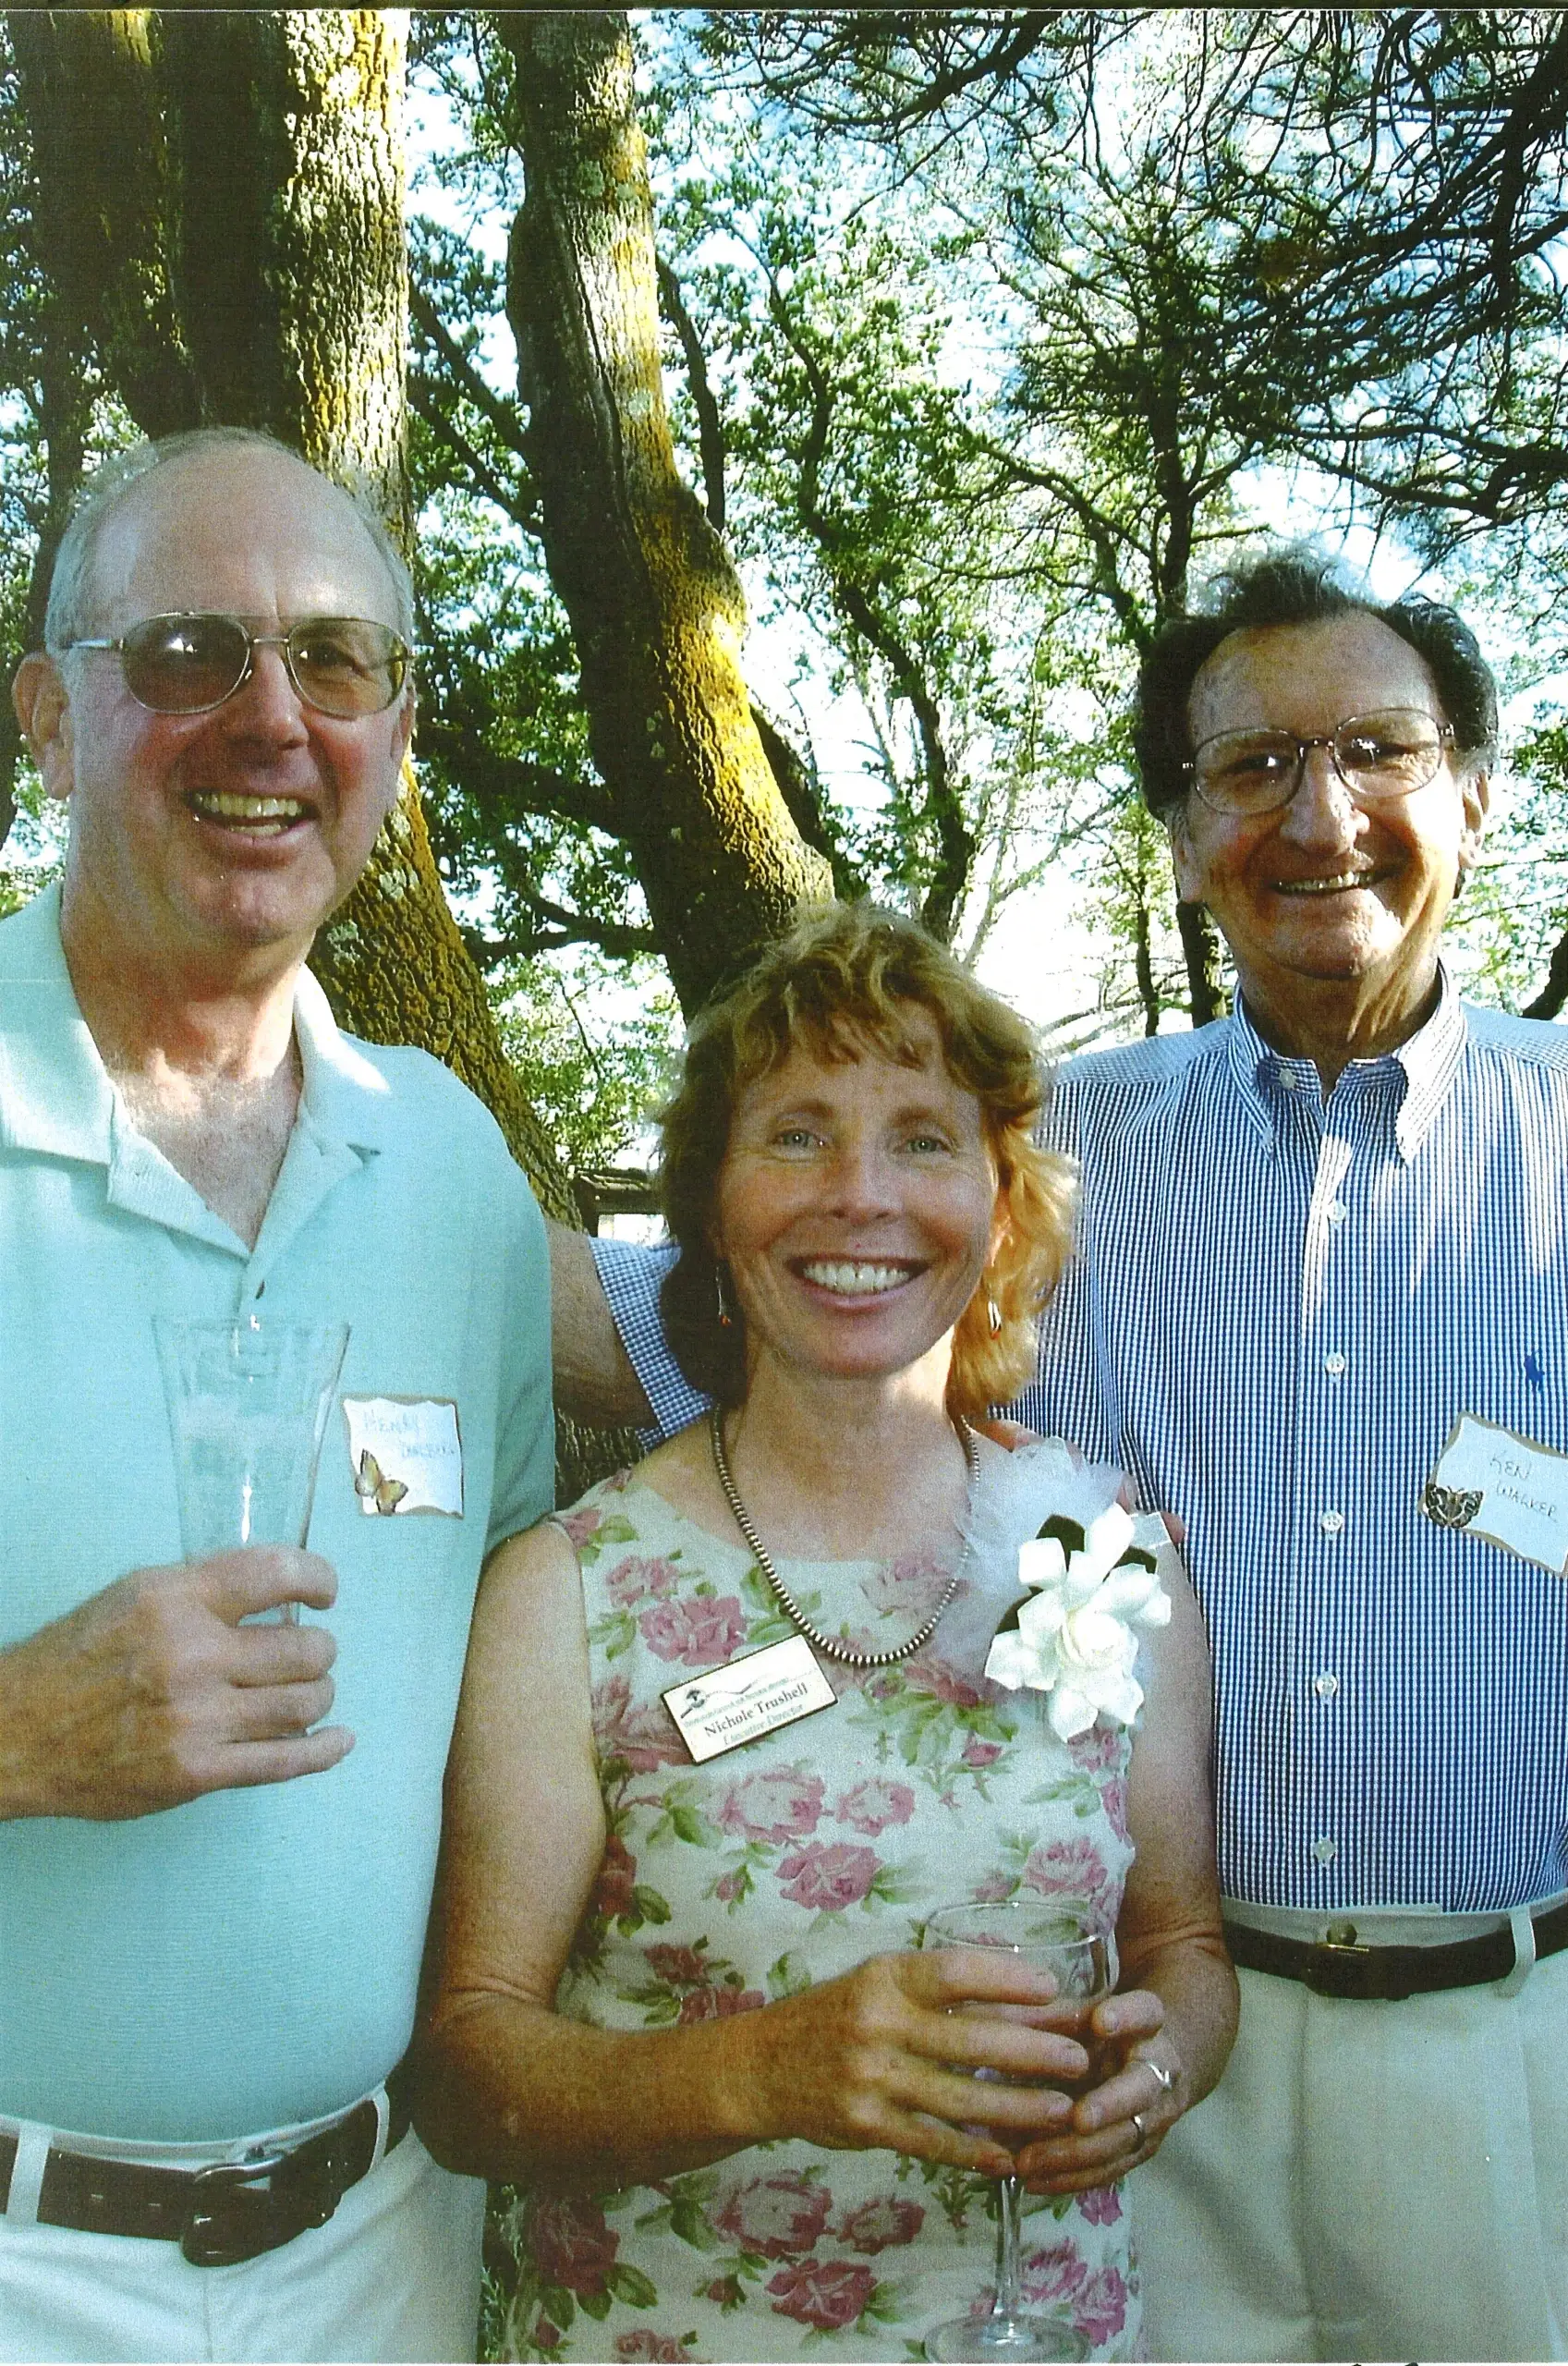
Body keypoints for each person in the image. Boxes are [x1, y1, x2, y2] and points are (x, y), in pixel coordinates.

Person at [557, 553, 1568, 2362]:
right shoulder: (1047, 1160)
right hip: (1146, 2062)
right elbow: (733, 1289)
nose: (1314, 813)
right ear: (1180, 836)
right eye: (1246, 768)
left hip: (1518, 2049)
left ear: (1475, 799)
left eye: (1374, 751)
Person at [418, 903, 1236, 2363]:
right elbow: (473, 2074)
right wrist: (766, 2073)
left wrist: (1159, 2065)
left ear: (1000, 1202)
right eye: (794, 1134)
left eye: (922, 1137)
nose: (859, 1196)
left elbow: (1181, 1944)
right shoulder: (569, 1593)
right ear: (713, 1202)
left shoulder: (1103, 1547)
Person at [0, 427, 553, 2364]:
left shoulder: (455, 1168)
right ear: (48, 715)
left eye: (337, 661)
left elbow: (517, 1667)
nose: (270, 719)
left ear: (397, 734)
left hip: (378, 2249)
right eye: (183, 656)